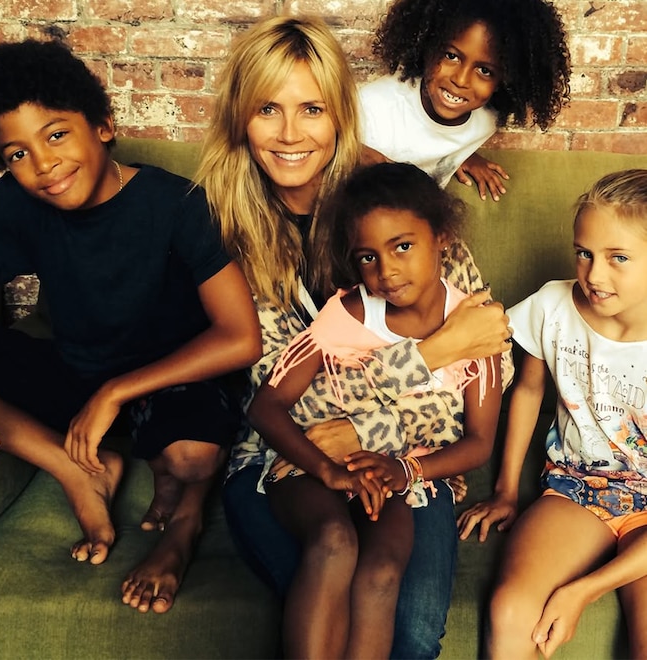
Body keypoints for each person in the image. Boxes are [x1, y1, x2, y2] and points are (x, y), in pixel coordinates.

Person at [196, 15, 512, 658]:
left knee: (410, 637)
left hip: (409, 469)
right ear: (240, 120)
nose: (290, 134)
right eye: (267, 109)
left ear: (341, 114)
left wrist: (362, 428)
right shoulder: (222, 232)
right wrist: (432, 353)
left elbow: (484, 370)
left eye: (311, 109)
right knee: (331, 589)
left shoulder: (401, 210)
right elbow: (281, 402)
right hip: (281, 464)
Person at [0, 39, 261, 615]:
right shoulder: (15, 203)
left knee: (191, 457)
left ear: (104, 126)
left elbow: (241, 338)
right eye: (17, 153)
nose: (43, 165)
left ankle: (184, 522)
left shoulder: (177, 204)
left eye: (56, 135)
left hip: (170, 381)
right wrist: (96, 394)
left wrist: (114, 393)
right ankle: (75, 470)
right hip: (77, 376)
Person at [247, 162, 503, 658]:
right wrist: (327, 470)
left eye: (402, 246)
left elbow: (479, 443)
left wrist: (404, 470)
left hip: (393, 477)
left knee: (382, 574)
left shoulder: (477, 327)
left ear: (443, 238)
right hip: (313, 466)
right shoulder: (351, 313)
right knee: (334, 543)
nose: (386, 271)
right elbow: (267, 406)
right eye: (368, 257)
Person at [457, 169, 647, 658]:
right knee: (511, 611)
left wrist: (582, 591)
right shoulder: (553, 305)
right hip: (578, 487)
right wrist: (506, 489)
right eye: (584, 253)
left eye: (618, 257)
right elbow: (528, 391)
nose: (594, 275)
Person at [359, 0, 571, 200]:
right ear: (427, 46)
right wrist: (354, 152)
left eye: (484, 71)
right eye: (451, 56)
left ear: (505, 80)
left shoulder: (485, 120)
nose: (460, 80)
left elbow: (438, 140)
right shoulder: (372, 108)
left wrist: (462, 156)